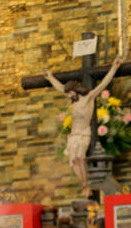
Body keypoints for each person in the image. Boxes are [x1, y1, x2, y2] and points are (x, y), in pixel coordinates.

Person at [43, 57, 122, 196]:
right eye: (67, 94)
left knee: (80, 157)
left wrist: (114, 68)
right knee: (74, 160)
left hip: (84, 133)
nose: (68, 95)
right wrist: (49, 77)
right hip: (74, 135)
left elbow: (103, 83)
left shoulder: (89, 97)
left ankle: (87, 183)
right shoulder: (73, 99)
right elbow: (60, 87)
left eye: (70, 93)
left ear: (75, 89)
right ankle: (84, 185)